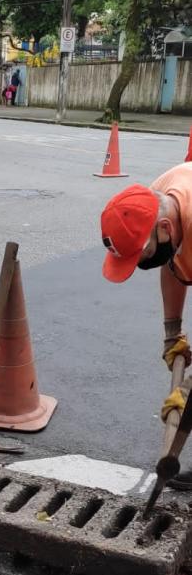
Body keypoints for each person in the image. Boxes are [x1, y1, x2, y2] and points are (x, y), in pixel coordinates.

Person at [101, 163, 192, 488]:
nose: (141, 263)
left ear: (165, 228)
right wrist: (172, 332)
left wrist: (187, 387)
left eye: (143, 253)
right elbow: (173, 264)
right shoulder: (155, 199)